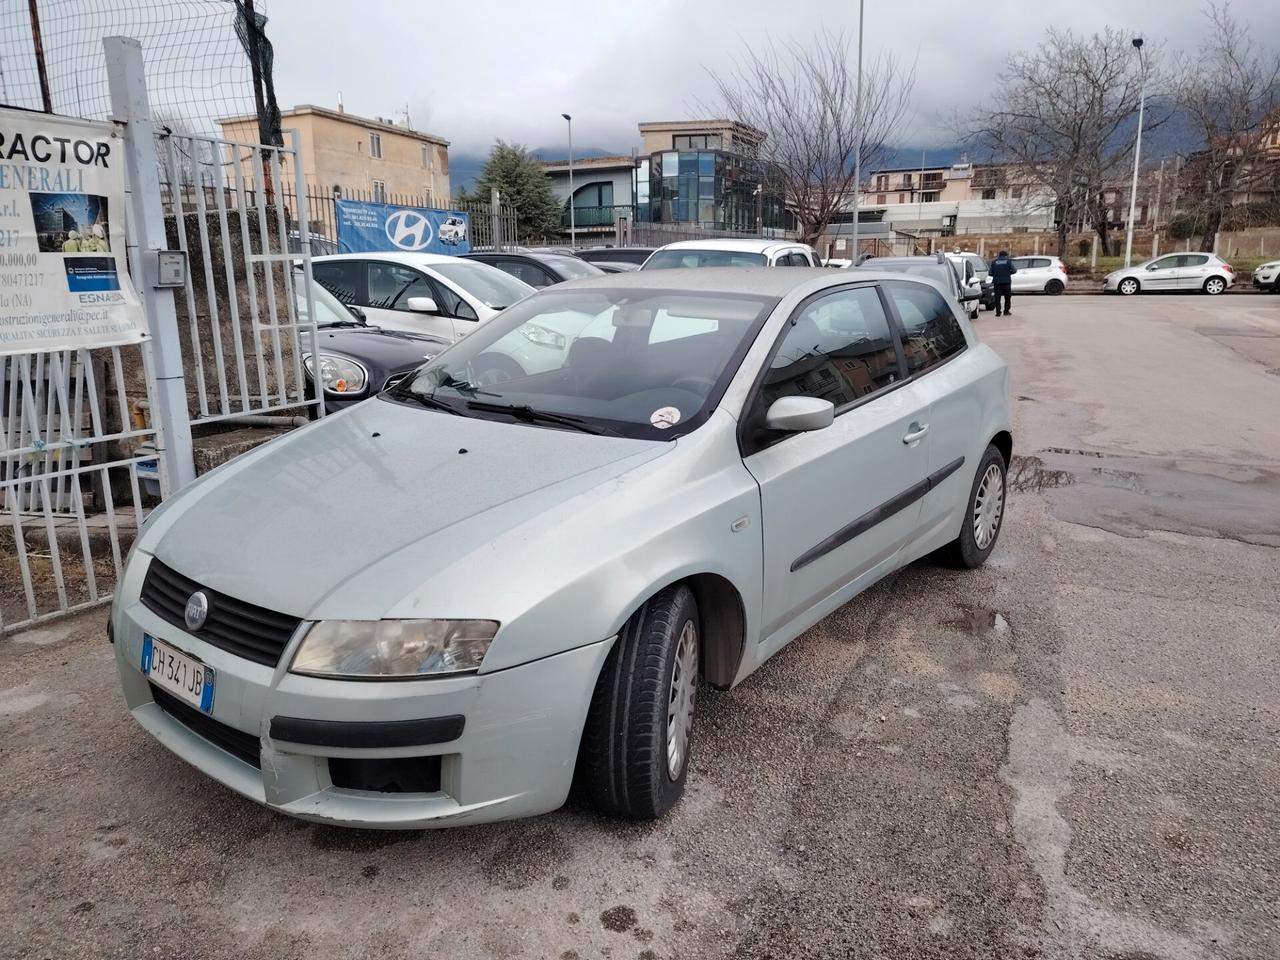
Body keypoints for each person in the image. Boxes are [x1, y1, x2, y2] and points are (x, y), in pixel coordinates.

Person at [988, 250, 1017, 316]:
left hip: (997, 283)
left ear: (999, 255)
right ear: (1006, 255)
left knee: (997, 298)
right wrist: (1008, 273)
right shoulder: (1008, 261)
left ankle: (998, 312)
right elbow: (1014, 270)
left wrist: (996, 275)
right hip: (1006, 282)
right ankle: (1006, 311)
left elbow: (990, 273)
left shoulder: (994, 262)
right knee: (1007, 297)